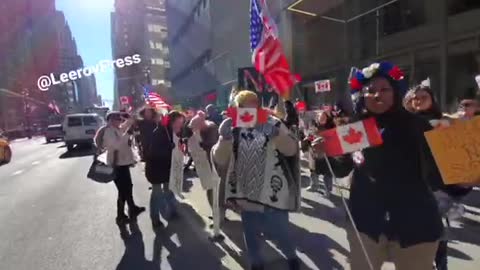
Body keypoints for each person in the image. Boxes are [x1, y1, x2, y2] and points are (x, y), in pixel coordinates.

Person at [313, 62, 443, 270]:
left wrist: (463, 175)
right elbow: (341, 169)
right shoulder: (355, 129)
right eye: (370, 91)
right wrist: (323, 155)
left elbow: (440, 176)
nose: (376, 95)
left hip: (416, 224)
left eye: (384, 89)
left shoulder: (419, 126)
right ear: (362, 96)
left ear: (396, 93)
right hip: (366, 223)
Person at [213, 90, 300, 270]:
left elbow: (291, 150)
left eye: (253, 105)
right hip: (246, 194)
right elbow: (220, 159)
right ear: (237, 108)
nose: (249, 110)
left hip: (273, 192)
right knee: (251, 235)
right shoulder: (232, 126)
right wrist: (224, 139)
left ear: (259, 106)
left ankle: (291, 256)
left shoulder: (272, 122)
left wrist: (275, 134)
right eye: (244, 106)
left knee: (282, 232)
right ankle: (256, 262)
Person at [405, 84, 473, 270]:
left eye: (422, 96)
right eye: (414, 98)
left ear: (432, 98)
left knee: (437, 234)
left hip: (439, 185)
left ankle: (440, 265)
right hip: (412, 184)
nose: (417, 100)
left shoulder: (445, 121)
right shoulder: (404, 123)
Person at [97, 111, 145, 224]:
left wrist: (131, 119)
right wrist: (128, 134)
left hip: (122, 163)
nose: (120, 121)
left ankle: (132, 208)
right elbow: (116, 145)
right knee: (123, 190)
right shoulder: (108, 132)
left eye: (120, 119)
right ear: (110, 121)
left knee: (128, 187)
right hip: (116, 164)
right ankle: (120, 216)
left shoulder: (116, 129)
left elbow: (125, 126)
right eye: (117, 119)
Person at [145, 110, 185, 228]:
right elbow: (153, 152)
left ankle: (172, 211)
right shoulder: (159, 132)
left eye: (182, 122)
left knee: (169, 190)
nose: (180, 125)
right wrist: (169, 147)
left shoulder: (174, 133)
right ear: (171, 122)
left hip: (168, 168)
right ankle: (155, 219)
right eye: (178, 122)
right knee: (157, 194)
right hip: (156, 169)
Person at [187, 111, 227, 226]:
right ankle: (216, 212)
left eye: (196, 127)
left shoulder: (212, 127)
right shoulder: (201, 128)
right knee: (210, 189)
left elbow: (208, 144)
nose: (195, 130)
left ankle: (219, 214)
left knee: (217, 189)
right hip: (205, 163)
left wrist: (197, 135)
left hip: (214, 162)